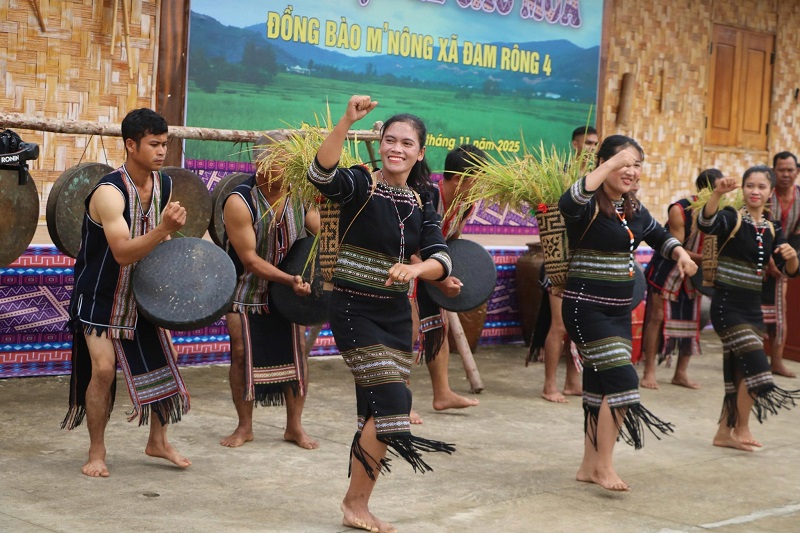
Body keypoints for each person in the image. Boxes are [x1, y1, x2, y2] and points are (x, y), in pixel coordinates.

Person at [308, 95, 455, 533]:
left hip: (395, 317)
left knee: (379, 411)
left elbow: (441, 257)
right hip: (354, 311)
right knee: (394, 404)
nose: (397, 148)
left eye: (407, 143)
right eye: (390, 140)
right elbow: (321, 174)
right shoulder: (359, 183)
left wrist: (418, 270)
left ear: (420, 152)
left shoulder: (422, 199)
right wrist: (346, 121)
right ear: (380, 143)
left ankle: (359, 504)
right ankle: (354, 503)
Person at [559, 134, 697, 491]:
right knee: (623, 383)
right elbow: (568, 201)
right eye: (623, 162)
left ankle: (589, 466)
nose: (630, 170)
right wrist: (611, 163)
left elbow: (658, 236)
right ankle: (605, 466)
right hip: (586, 309)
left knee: (599, 387)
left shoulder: (632, 207)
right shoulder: (586, 206)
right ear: (603, 163)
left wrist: (681, 254)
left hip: (618, 313)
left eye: (636, 164)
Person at [61, 108, 191, 477]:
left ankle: (158, 441)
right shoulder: (109, 192)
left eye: (164, 144)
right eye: (154, 144)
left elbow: (162, 242)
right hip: (99, 295)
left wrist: (170, 290)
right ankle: (97, 451)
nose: (161, 151)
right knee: (103, 369)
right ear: (131, 145)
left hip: (140, 294)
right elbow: (121, 252)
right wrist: (162, 229)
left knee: (166, 360)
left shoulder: (164, 184)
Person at [219, 135, 320, 450]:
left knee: (297, 352)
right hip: (245, 287)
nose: (289, 169)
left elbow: (320, 231)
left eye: (292, 163)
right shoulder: (240, 201)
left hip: (289, 290)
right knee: (240, 353)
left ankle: (294, 427)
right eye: (282, 162)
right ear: (260, 164)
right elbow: (250, 260)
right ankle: (244, 427)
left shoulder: (300, 195)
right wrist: (289, 280)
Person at [699, 167, 800, 451]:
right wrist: (718, 193)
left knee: (738, 373)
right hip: (727, 308)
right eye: (750, 185)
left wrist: (792, 256)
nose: (755, 191)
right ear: (742, 189)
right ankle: (742, 426)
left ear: (770, 193)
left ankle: (723, 433)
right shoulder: (731, 217)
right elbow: (706, 223)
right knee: (758, 368)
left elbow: (789, 270)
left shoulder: (772, 227)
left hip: (753, 311)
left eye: (761, 187)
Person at [411, 144, 484, 419]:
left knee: (437, 328)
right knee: (406, 331)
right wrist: (439, 281)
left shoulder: (466, 204)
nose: (483, 187)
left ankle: (442, 394)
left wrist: (449, 276)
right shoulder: (425, 196)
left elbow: (452, 242)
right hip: (406, 267)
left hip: (433, 271)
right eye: (479, 180)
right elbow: (407, 251)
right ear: (459, 179)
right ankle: (399, 401)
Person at [529, 126, 598, 402]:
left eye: (596, 144)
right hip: (558, 262)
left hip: (584, 263)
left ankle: (572, 381)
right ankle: (549, 386)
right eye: (588, 143)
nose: (592, 148)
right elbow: (545, 213)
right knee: (559, 326)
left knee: (577, 324)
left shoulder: (598, 179)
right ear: (575, 145)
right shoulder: (558, 177)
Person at [641, 169, 722, 389]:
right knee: (657, 318)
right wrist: (707, 258)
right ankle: (649, 372)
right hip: (668, 269)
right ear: (704, 191)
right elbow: (676, 249)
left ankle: (680, 373)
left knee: (692, 320)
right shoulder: (680, 209)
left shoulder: (723, 212)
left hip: (695, 272)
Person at [761, 152, 800, 378]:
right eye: (781, 170)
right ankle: (752, 360)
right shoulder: (765, 194)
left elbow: (797, 237)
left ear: (797, 172)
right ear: (773, 171)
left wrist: (785, 264)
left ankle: (776, 361)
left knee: (780, 311)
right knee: (754, 312)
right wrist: (767, 262)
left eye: (790, 170)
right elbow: (757, 228)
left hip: (784, 261)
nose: (786, 174)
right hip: (757, 258)